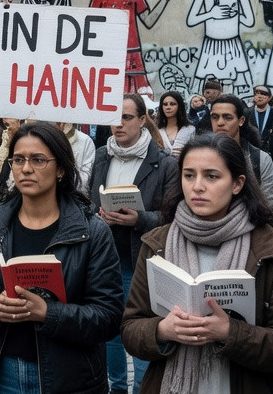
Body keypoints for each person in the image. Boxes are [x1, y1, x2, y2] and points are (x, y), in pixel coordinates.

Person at [121, 133, 273, 393]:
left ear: (237, 183)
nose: (197, 186)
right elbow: (131, 328)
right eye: (189, 175)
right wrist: (162, 330)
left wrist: (231, 333)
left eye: (211, 176)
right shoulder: (157, 244)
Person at [0, 122, 124, 394]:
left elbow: (108, 316)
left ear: (60, 169)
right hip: (3, 373)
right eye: (18, 160)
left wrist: (49, 313)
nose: (25, 168)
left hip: (69, 377)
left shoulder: (92, 232)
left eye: (38, 160)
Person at [90, 93, 179, 394]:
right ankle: (116, 387)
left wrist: (139, 219)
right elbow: (88, 199)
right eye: (113, 118)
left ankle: (143, 387)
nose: (118, 124)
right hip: (104, 259)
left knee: (142, 330)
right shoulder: (102, 155)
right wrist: (97, 215)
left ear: (142, 120)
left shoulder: (165, 163)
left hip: (141, 260)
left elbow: (173, 216)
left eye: (126, 117)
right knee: (110, 333)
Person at [206, 93, 273, 205]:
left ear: (241, 120)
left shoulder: (260, 159)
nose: (220, 123)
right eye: (215, 117)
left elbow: (267, 203)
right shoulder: (200, 156)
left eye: (227, 117)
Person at [246, 85, 273, 151]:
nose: (259, 96)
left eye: (263, 94)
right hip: (250, 151)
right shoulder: (246, 114)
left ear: (270, 97)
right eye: (256, 93)